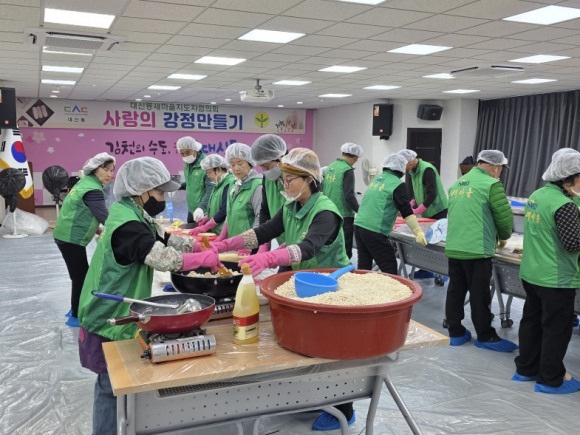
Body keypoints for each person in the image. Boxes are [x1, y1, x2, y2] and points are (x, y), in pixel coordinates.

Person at [210, 148, 352, 431]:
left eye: (289, 180)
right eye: (282, 180)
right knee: (309, 343)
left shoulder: (326, 212)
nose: (283, 186)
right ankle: (318, 395)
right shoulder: (292, 206)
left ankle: (345, 409)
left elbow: (308, 247)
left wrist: (268, 259)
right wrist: (224, 245)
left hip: (330, 285)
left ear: (309, 179)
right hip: (304, 282)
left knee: (333, 348)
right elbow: (263, 232)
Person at [77, 157, 221, 435]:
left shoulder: (134, 212)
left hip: (119, 307)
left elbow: (164, 238)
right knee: (110, 385)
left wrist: (200, 244)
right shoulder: (126, 225)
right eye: (159, 192)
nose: (163, 198)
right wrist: (201, 259)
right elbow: (161, 257)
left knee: (120, 384)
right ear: (140, 190)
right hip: (106, 313)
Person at [513, 154, 580, 394]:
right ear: (568, 177)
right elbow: (572, 244)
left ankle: (526, 369)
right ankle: (551, 379)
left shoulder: (537, 195)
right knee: (556, 329)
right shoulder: (564, 205)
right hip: (556, 277)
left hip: (532, 273)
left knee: (531, 322)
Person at [445, 150, 518, 352]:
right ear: (495, 167)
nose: (500, 172)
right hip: (477, 248)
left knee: (455, 291)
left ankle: (456, 333)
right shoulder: (491, 185)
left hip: (454, 246)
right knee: (479, 294)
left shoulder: (457, 184)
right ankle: (486, 336)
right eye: (501, 168)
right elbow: (504, 218)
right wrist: (504, 236)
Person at [53, 152, 115, 327]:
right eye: (106, 170)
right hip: (70, 238)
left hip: (66, 234)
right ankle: (75, 314)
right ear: (95, 169)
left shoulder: (86, 182)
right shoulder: (93, 190)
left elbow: (83, 211)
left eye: (112, 170)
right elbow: (104, 216)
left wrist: (98, 229)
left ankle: (75, 308)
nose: (109, 174)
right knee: (80, 277)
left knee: (80, 275)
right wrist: (121, 229)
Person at [354, 154, 428, 274]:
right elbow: (407, 212)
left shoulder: (377, 179)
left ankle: (361, 286)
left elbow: (378, 204)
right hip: (374, 230)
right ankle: (389, 287)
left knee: (364, 266)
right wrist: (418, 232)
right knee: (389, 268)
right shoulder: (397, 184)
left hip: (359, 226)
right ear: (401, 168)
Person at [398, 149, 449, 279]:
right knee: (426, 239)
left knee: (438, 241)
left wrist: (418, 210)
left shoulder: (427, 169)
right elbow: (419, 190)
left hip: (438, 209)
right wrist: (413, 202)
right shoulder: (413, 171)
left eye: (404, 164)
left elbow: (432, 193)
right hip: (427, 209)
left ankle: (443, 272)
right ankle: (425, 269)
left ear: (410, 160)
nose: (404, 168)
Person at [322, 143, 363, 259]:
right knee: (344, 248)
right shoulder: (347, 170)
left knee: (331, 245)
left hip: (328, 211)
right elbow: (349, 195)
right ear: (355, 158)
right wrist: (360, 211)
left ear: (342, 153)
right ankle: (344, 268)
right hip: (343, 215)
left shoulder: (330, 167)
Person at [217, 143, 263, 243]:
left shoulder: (257, 185)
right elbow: (230, 213)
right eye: (232, 165)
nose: (236, 168)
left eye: (240, 163)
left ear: (250, 163)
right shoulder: (234, 183)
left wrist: (250, 243)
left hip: (250, 245)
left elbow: (261, 218)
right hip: (234, 243)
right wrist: (222, 236)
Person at [251, 134, 287, 254]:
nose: (265, 170)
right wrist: (264, 242)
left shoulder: (297, 178)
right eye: (262, 167)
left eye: (266, 166)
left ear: (280, 157)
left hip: (302, 242)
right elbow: (265, 211)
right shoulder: (267, 179)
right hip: (282, 240)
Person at [189, 154, 234, 236]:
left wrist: (205, 227)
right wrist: (207, 217)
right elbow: (217, 207)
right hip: (216, 231)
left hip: (224, 234)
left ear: (218, 169)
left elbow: (224, 211)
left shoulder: (229, 183)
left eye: (209, 172)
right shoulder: (218, 184)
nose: (208, 176)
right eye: (207, 173)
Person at [177, 136, 214, 223]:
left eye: (188, 152)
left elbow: (211, 190)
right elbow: (191, 183)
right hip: (192, 210)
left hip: (204, 212)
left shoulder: (206, 165)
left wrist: (201, 208)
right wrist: (177, 186)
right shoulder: (187, 164)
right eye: (182, 153)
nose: (185, 156)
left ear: (195, 149)